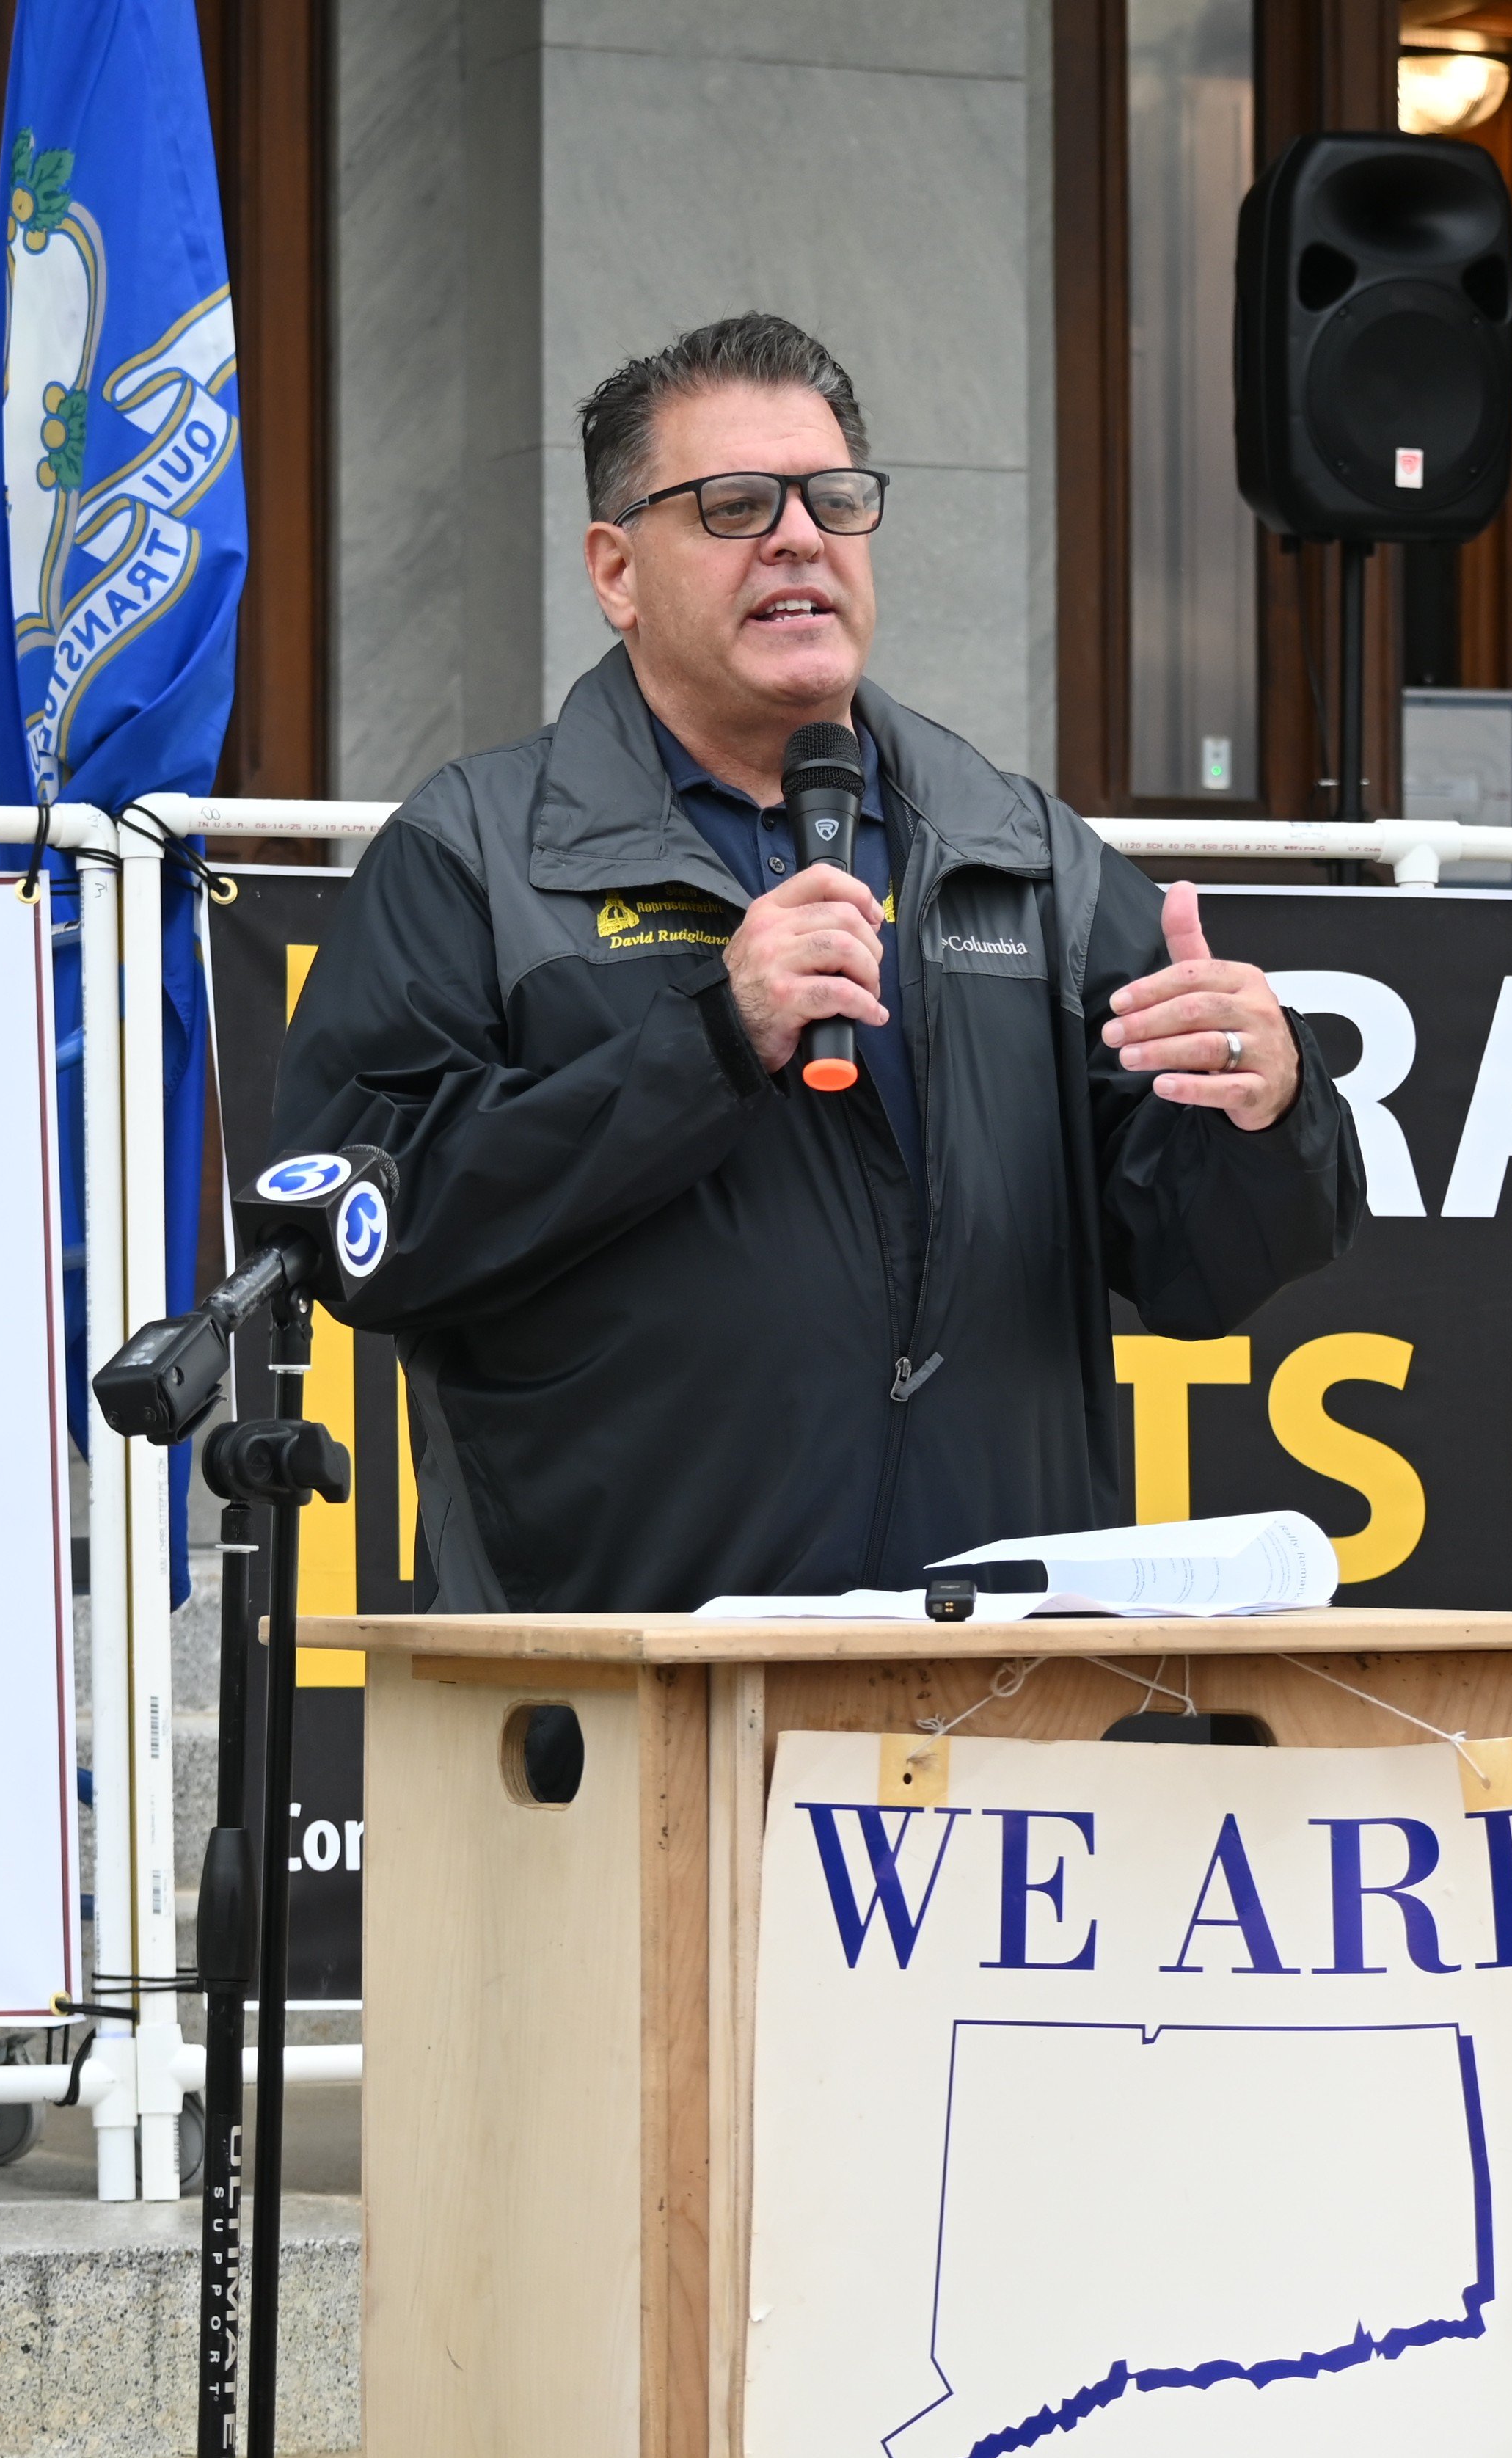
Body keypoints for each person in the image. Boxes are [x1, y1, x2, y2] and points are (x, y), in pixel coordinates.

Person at [275, 313, 1362, 1611]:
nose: (800, 536)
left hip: (989, 1693)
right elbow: (364, 1238)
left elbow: (1199, 1270)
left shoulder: (1021, 855)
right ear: (615, 571)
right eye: (732, 505)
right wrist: (708, 1042)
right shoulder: (477, 854)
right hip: (630, 1685)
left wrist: (1264, 1108)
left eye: (834, 500)